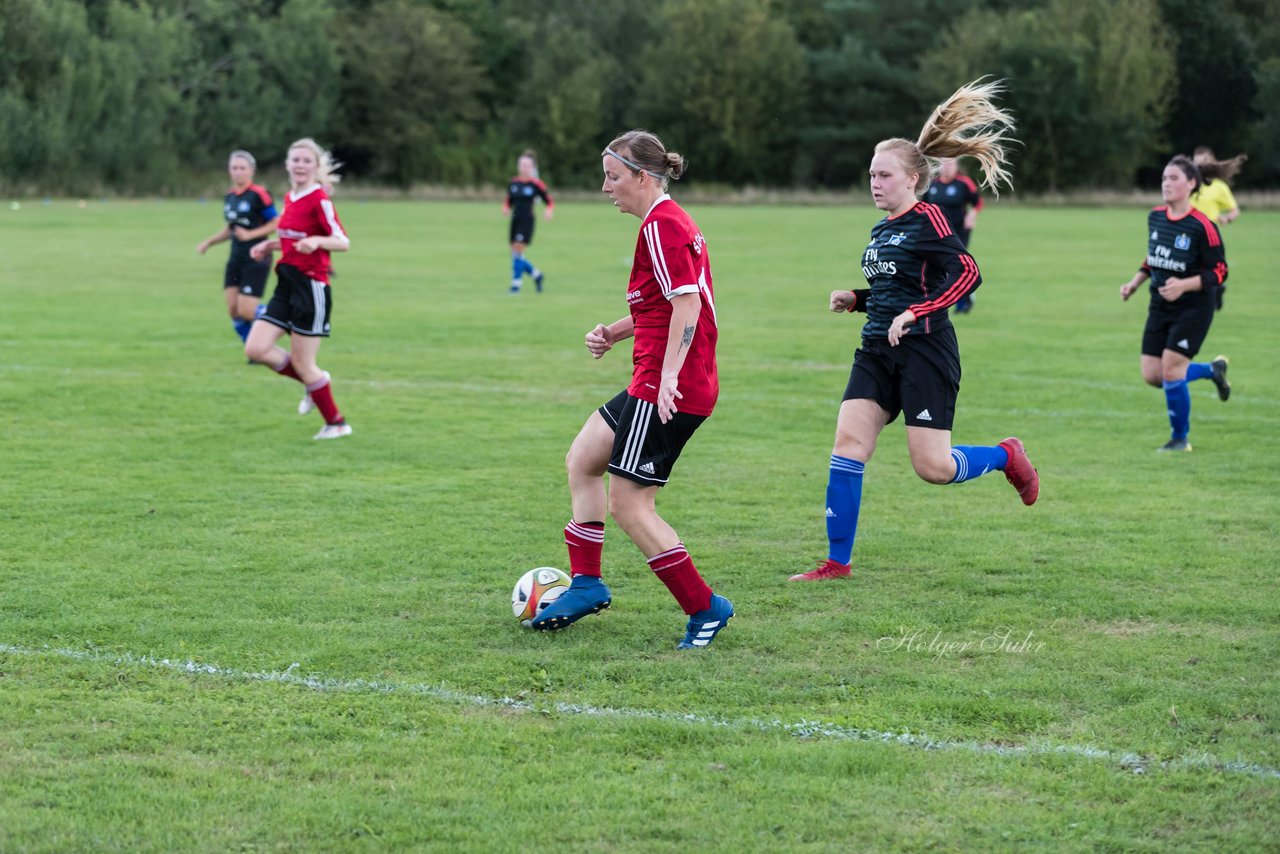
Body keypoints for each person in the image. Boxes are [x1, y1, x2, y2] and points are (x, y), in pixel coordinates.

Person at [790, 80, 1040, 583]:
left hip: (925, 352)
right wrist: (857, 299)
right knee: (847, 446)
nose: (874, 183)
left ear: (911, 179)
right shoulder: (881, 229)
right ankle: (837, 563)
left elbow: (967, 273)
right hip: (877, 351)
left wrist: (917, 313)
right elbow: (894, 289)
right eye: (870, 175)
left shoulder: (931, 219)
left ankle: (1005, 455)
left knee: (934, 468)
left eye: (883, 175)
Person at [531, 130, 733, 650]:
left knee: (630, 505)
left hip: (668, 387)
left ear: (643, 177)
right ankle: (587, 583)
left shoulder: (663, 227)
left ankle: (705, 607)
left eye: (613, 176)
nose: (605, 187)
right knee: (583, 460)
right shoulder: (666, 222)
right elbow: (665, 304)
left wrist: (667, 378)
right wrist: (614, 333)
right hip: (657, 380)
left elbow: (688, 307)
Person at [1119, 155, 1230, 452]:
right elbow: (1154, 258)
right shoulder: (1155, 216)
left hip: (1194, 307)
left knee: (1171, 371)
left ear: (1191, 184)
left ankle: (1180, 439)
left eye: (1174, 179)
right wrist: (1134, 283)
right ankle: (1210, 371)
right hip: (1159, 304)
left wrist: (1183, 285)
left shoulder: (1202, 226)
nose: (1166, 184)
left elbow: (1220, 271)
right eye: (1164, 178)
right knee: (1153, 375)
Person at [244, 138, 353, 440]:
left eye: (307, 161)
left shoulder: (320, 199)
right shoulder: (291, 196)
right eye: (295, 160)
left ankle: (336, 423)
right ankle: (314, 383)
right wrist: (270, 244)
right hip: (286, 284)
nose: (300, 165)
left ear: (316, 167)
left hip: (311, 288)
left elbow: (342, 241)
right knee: (256, 349)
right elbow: (293, 237)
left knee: (305, 364)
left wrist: (318, 241)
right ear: (287, 164)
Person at [196, 151, 279, 344]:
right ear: (229, 170)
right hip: (235, 259)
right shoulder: (230, 196)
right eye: (234, 168)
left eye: (243, 168)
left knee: (247, 311)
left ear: (252, 170)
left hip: (257, 258)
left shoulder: (259, 194)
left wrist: (251, 235)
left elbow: (276, 222)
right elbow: (231, 229)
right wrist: (209, 242)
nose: (238, 172)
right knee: (233, 310)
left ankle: (280, 317)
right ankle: (254, 348)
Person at [924, 158, 983, 313]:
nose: (947, 166)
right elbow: (922, 206)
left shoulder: (964, 183)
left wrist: (972, 214)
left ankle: (964, 303)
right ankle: (936, 303)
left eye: (950, 163)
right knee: (936, 267)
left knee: (957, 266)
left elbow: (978, 202)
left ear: (956, 165)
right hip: (936, 232)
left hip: (958, 232)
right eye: (944, 163)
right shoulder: (932, 185)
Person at [504, 150, 554, 293]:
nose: (524, 168)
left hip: (527, 221)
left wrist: (549, 210)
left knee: (518, 252)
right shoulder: (514, 183)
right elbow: (509, 200)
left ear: (532, 168)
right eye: (522, 165)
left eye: (527, 165)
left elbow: (549, 201)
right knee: (514, 254)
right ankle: (537, 275)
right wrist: (506, 208)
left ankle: (515, 286)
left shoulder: (536, 184)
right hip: (515, 221)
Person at [1191, 146, 1247, 227]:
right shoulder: (1187, 184)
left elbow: (1235, 211)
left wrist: (1226, 218)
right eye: (1196, 163)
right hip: (1187, 231)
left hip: (1208, 232)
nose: (1199, 167)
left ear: (1212, 162)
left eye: (1203, 162)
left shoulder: (1219, 186)